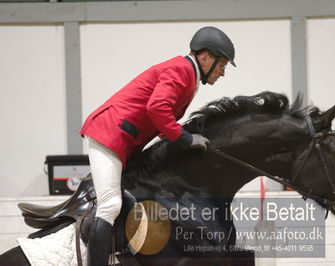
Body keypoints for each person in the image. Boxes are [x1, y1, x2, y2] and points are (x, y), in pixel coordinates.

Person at [80, 26, 236, 266]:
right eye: (222, 65)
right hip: (108, 134)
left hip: (124, 141)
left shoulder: (189, 75)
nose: (223, 73)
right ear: (205, 57)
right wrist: (185, 139)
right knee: (110, 205)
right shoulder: (181, 69)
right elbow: (157, 109)